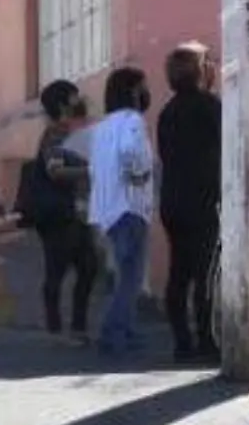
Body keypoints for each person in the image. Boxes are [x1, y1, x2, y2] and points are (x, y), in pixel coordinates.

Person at [157, 43, 221, 362]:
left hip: (173, 201)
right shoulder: (211, 107)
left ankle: (182, 341)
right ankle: (207, 340)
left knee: (179, 272)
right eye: (209, 62)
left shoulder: (167, 112)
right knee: (205, 272)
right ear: (200, 70)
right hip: (204, 201)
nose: (214, 67)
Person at [88, 66, 157, 358]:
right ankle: (112, 332)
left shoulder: (102, 127)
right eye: (142, 86)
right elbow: (131, 152)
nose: (145, 92)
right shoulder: (133, 120)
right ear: (132, 91)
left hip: (107, 209)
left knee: (123, 274)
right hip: (130, 207)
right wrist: (138, 175)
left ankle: (125, 330)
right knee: (131, 276)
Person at [23, 80, 97, 344]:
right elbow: (55, 170)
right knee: (58, 269)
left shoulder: (70, 132)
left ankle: (78, 326)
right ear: (63, 103)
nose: (80, 100)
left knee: (88, 267)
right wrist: (90, 171)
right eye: (74, 96)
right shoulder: (54, 135)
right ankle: (55, 329)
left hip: (75, 212)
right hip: (58, 215)